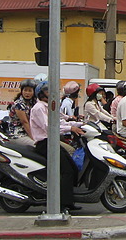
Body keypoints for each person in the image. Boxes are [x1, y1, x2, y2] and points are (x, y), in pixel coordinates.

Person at [29, 81, 84, 213]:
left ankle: (69, 200)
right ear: (41, 94)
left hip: (52, 142)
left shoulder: (49, 106)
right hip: (45, 143)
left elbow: (60, 120)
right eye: (48, 91)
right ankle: (62, 204)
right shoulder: (39, 108)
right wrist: (70, 128)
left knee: (72, 167)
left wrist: (81, 123)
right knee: (66, 171)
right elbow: (49, 127)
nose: (52, 94)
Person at [8, 79, 37, 146]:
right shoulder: (19, 104)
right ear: (22, 91)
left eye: (30, 90)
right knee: (37, 146)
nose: (27, 93)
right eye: (25, 90)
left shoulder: (33, 102)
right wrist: (33, 138)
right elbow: (25, 122)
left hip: (29, 133)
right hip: (18, 134)